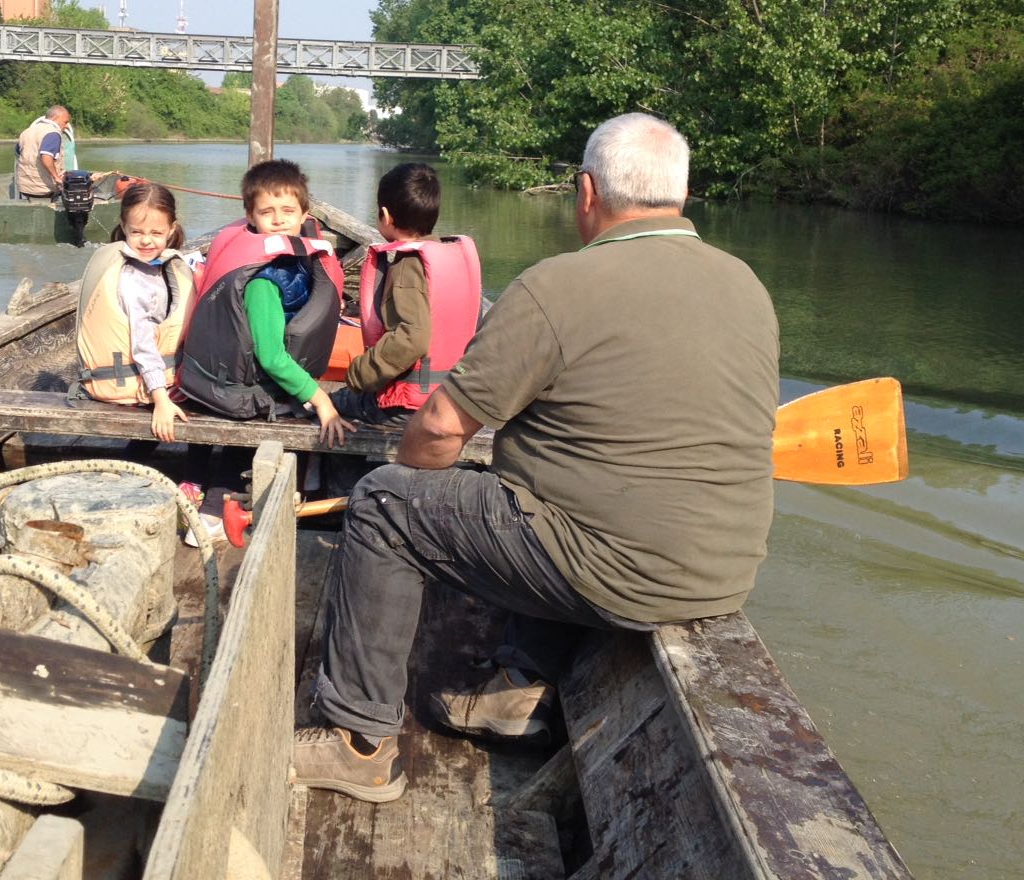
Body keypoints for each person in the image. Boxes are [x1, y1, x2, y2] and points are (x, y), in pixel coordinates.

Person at [289, 112, 780, 803]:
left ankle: (358, 743)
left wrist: (420, 485)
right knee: (543, 490)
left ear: (587, 192)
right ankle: (517, 686)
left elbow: (439, 430)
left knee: (383, 502)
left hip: (618, 568)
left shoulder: (560, 286)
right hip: (722, 573)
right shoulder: (747, 285)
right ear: (682, 194)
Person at [178, 158, 353, 446]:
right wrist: (321, 400)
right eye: (267, 212)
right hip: (245, 394)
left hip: (244, 383)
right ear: (250, 216)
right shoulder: (263, 282)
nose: (278, 220)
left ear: (304, 215)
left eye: (288, 211)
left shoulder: (293, 258)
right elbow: (271, 357)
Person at [330, 162, 481, 426]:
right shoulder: (450, 256)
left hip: (409, 405)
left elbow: (412, 338)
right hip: (452, 393)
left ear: (385, 216)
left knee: (327, 404)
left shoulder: (408, 266)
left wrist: (358, 374)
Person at [75, 182, 196, 442]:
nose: (146, 240)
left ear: (171, 229)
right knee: (207, 405)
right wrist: (161, 400)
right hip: (136, 389)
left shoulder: (159, 266)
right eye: (137, 232)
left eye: (156, 232)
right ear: (124, 227)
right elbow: (143, 345)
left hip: (139, 383)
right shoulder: (133, 281)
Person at [14, 105, 70, 199]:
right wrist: (56, 177)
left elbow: (18, 152)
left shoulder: (27, 131)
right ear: (55, 118)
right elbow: (46, 157)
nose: (67, 126)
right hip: (43, 189)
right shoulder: (52, 133)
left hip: (24, 187)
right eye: (65, 122)